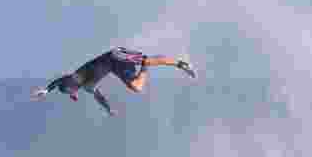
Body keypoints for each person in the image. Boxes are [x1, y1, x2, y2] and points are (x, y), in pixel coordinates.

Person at [32, 47, 196, 116]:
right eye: (72, 92)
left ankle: (181, 64)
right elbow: (100, 98)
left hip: (116, 55)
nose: (74, 91)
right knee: (137, 87)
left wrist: (46, 90)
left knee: (149, 60)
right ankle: (145, 66)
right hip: (116, 68)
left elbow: (60, 80)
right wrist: (108, 109)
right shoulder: (88, 86)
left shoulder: (77, 75)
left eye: (71, 89)